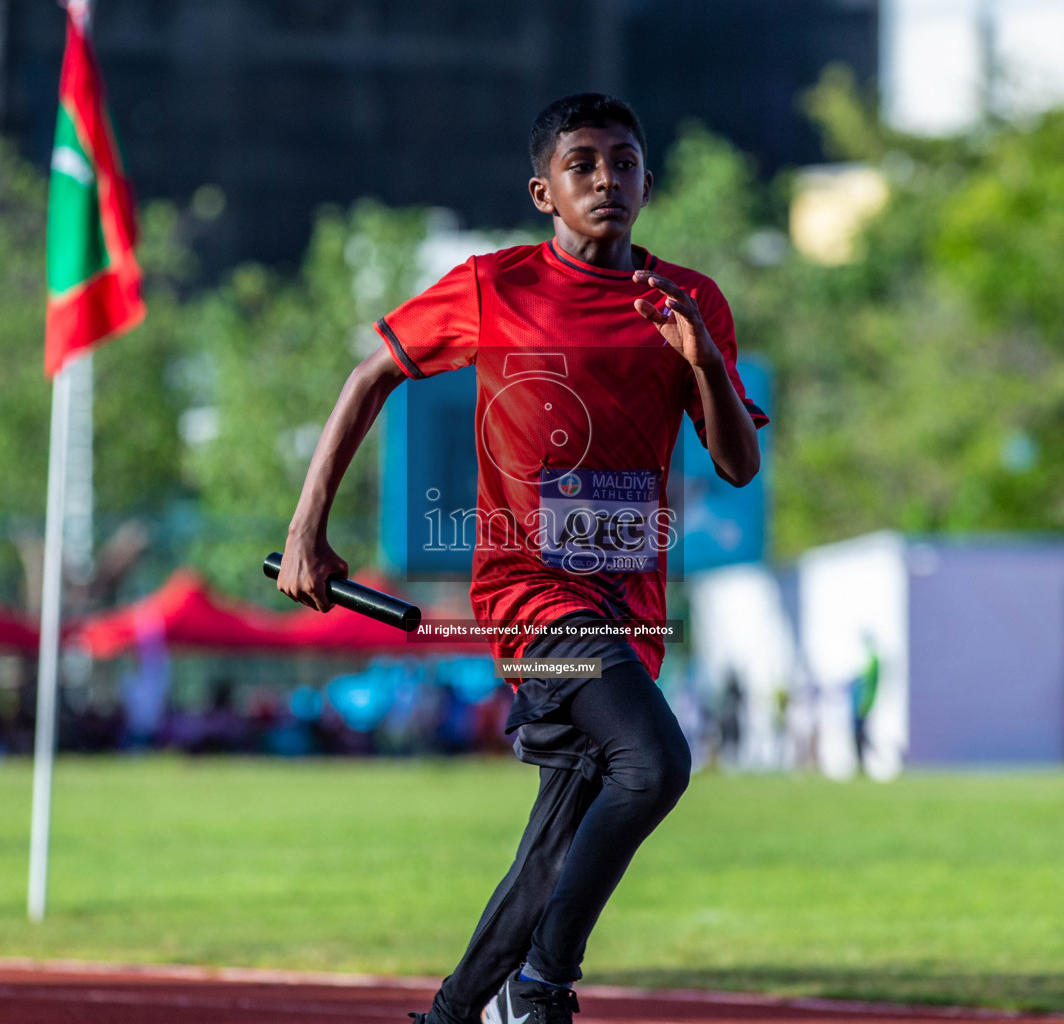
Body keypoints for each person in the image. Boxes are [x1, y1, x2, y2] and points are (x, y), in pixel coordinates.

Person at [276, 93, 767, 1024]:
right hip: (529, 601)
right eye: (582, 165)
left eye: (623, 163)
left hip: (632, 614)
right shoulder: (489, 286)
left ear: (648, 183)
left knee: (555, 842)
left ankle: (455, 1014)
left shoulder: (689, 301)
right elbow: (368, 374)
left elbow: (738, 467)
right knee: (656, 762)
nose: (605, 180)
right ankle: (544, 986)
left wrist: (701, 359)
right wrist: (308, 528)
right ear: (544, 191)